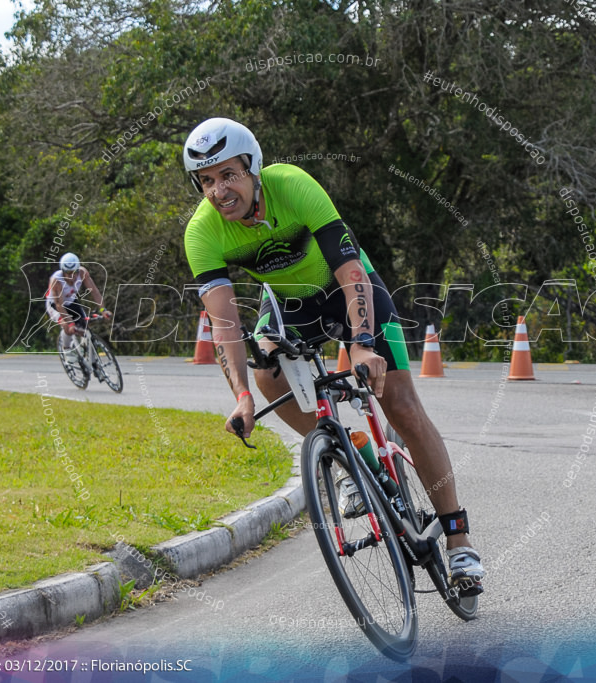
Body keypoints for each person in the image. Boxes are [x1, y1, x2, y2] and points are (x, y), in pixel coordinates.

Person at [181, 118, 485, 591]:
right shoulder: (202, 232)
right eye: (207, 181)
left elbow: (349, 270)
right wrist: (241, 395)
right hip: (289, 303)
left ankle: (458, 539)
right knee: (267, 376)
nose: (219, 190)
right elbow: (223, 323)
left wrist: (362, 345)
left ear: (254, 167)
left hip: (349, 289)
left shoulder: (292, 184)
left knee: (402, 406)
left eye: (228, 175)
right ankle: (348, 455)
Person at [45, 252, 111, 352]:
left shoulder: (83, 273)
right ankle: (66, 350)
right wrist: (71, 324)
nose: (72, 276)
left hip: (71, 301)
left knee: (85, 326)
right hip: (55, 305)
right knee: (68, 327)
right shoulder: (56, 281)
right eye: (68, 273)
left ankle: (87, 354)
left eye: (74, 272)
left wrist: (103, 309)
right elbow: (59, 305)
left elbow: (94, 291)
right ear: (63, 271)